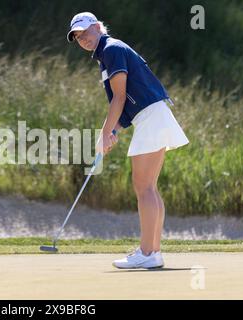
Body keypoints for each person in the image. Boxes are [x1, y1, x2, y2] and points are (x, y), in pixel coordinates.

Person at [67, 12, 189, 269]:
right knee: (149, 188)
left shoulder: (111, 49)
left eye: (86, 32)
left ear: (98, 27)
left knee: (143, 187)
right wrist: (113, 131)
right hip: (152, 116)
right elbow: (125, 103)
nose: (83, 39)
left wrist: (104, 133)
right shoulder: (106, 54)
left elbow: (119, 98)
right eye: (78, 37)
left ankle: (146, 253)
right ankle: (152, 252)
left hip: (152, 118)